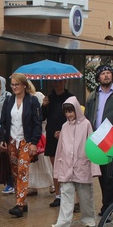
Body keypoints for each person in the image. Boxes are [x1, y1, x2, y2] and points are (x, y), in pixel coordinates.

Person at [50, 97, 99, 227]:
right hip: (67, 166)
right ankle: (63, 223)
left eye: (71, 111)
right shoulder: (64, 126)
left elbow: (92, 145)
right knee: (66, 194)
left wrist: (94, 168)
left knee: (85, 196)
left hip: (82, 165)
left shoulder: (86, 124)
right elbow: (60, 148)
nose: (69, 114)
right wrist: (58, 169)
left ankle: (89, 218)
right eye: (66, 112)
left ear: (77, 110)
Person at [85, 64, 113, 216]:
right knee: (101, 176)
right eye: (103, 73)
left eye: (109, 73)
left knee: (110, 176)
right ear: (98, 77)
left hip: (111, 138)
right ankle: (106, 205)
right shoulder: (93, 96)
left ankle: (108, 208)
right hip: (96, 138)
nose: (106, 76)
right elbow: (88, 117)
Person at [0, 73, 42, 218]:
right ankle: (22, 202)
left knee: (23, 170)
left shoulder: (32, 101)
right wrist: (2, 139)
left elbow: (37, 123)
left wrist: (34, 142)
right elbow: (3, 122)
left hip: (26, 140)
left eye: (17, 84)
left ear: (24, 85)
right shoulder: (9, 101)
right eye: (12, 84)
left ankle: (19, 204)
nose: (14, 87)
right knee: (15, 172)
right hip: (12, 140)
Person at [43, 80, 73, 208]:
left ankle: (69, 193)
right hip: (52, 136)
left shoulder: (70, 98)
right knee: (55, 166)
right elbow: (43, 117)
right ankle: (58, 195)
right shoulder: (49, 98)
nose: (57, 84)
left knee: (67, 165)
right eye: (54, 82)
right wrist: (44, 105)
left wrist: (64, 132)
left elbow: (73, 118)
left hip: (66, 135)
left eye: (59, 82)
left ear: (65, 82)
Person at [0, 76, 14, 193]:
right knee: (1, 156)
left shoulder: (9, 96)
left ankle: (11, 182)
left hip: (7, 129)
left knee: (8, 156)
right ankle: (4, 179)